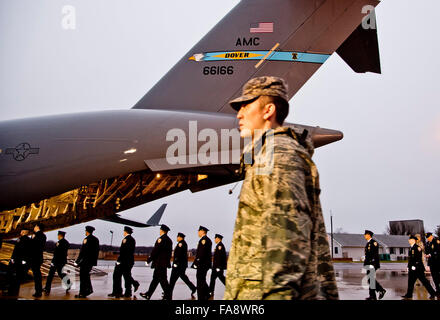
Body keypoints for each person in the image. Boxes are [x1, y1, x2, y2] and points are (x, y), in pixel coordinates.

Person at [224, 76, 338, 300]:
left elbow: (286, 239)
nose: (239, 114)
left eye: (246, 106)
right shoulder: (266, 154)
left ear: (268, 110)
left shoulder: (277, 155)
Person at [140, 224, 172, 300]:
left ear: (162, 230)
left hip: (159, 263)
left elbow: (155, 251)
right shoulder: (169, 240)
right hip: (163, 263)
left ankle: (168, 296)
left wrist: (149, 259)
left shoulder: (161, 239)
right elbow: (169, 253)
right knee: (156, 280)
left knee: (163, 281)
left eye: (160, 230)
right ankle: (148, 294)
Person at [108, 226, 140, 298]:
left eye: (124, 231)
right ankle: (128, 290)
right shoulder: (131, 239)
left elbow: (124, 251)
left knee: (117, 276)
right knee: (127, 276)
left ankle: (118, 292)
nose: (123, 232)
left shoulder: (126, 239)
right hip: (128, 261)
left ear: (126, 232)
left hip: (124, 261)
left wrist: (119, 261)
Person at [402, 235, 437, 300]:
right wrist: (408, 267)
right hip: (412, 268)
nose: (409, 241)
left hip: (418, 269)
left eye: (410, 240)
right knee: (410, 282)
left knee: (424, 282)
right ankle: (409, 294)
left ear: (413, 240)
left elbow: (418, 258)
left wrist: (414, 265)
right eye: (409, 239)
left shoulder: (417, 247)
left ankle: (433, 293)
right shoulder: (411, 247)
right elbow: (410, 259)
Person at [169, 232, 196, 299]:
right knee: (183, 278)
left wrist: (176, 263)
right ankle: (193, 288)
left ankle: (168, 293)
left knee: (172, 280)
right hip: (181, 265)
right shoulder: (182, 243)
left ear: (180, 237)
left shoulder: (181, 244)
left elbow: (179, 254)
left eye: (177, 237)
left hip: (178, 265)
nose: (177, 238)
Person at [5, 228, 31, 296]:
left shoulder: (25, 240)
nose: (21, 232)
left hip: (18, 260)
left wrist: (14, 258)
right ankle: (13, 291)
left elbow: (25, 251)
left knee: (14, 275)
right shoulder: (23, 239)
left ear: (25, 232)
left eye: (22, 231)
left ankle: (11, 290)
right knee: (17, 277)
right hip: (19, 260)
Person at [75, 225, 100, 298]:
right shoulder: (96, 239)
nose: (85, 232)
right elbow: (96, 251)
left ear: (87, 231)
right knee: (86, 276)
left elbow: (82, 251)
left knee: (83, 277)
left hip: (85, 261)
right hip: (91, 261)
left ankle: (83, 292)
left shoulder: (86, 239)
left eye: (85, 231)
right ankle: (87, 290)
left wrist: (77, 261)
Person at [44, 230, 70, 295]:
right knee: (60, 273)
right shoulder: (66, 242)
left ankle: (47, 288)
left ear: (60, 235)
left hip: (57, 261)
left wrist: (53, 261)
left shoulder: (59, 243)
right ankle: (68, 284)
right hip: (61, 261)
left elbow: (57, 253)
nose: (57, 237)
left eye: (58, 235)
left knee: (50, 275)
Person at [363, 230, 386, 300]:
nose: (364, 236)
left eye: (365, 234)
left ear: (369, 235)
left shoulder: (373, 243)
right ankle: (373, 296)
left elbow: (374, 254)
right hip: (369, 263)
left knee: (371, 279)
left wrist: (372, 263)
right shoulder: (368, 243)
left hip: (372, 263)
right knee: (370, 280)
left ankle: (381, 290)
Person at [191, 225, 212, 300]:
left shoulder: (204, 240)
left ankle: (201, 297)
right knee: (202, 280)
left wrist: (197, 262)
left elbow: (201, 253)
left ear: (202, 231)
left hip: (202, 264)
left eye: (199, 231)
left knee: (200, 281)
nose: (198, 232)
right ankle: (207, 294)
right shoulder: (206, 240)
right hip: (204, 264)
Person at [29, 223, 46, 298]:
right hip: (37, 258)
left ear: (38, 227)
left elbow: (35, 246)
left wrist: (33, 239)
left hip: (35, 258)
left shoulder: (39, 235)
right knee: (37, 275)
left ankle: (38, 291)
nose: (34, 227)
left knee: (37, 275)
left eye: (35, 226)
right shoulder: (41, 235)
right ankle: (38, 291)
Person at [209, 234, 227, 299]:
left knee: (221, 278)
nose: (214, 239)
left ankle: (229, 286)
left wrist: (219, 267)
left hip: (218, 267)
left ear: (218, 239)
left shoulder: (220, 246)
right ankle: (210, 291)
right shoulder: (218, 245)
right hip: (216, 267)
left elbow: (220, 258)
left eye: (215, 238)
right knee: (212, 279)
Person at [425, 232, 440, 296]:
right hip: (431, 263)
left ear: (431, 236)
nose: (428, 239)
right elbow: (427, 251)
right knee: (434, 277)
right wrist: (427, 255)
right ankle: (438, 290)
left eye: (428, 237)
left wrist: (430, 254)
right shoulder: (427, 243)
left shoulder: (436, 241)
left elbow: (438, 251)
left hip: (437, 262)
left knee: (438, 276)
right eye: (427, 238)